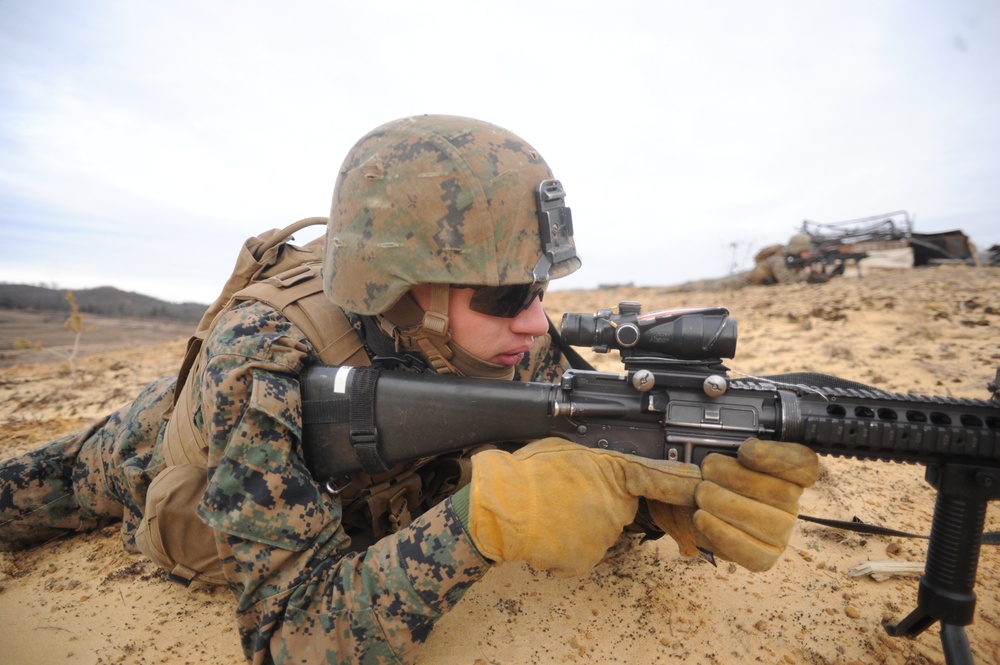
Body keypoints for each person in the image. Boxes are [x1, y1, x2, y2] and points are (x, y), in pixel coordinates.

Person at [0, 115, 820, 664]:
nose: (537, 323)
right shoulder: (264, 361)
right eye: (506, 297)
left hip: (348, 476)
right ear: (405, 292)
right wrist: (485, 523)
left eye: (538, 290)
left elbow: (582, 464)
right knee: (44, 488)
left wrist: (651, 498)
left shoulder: (511, 345)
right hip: (154, 451)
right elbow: (290, 637)